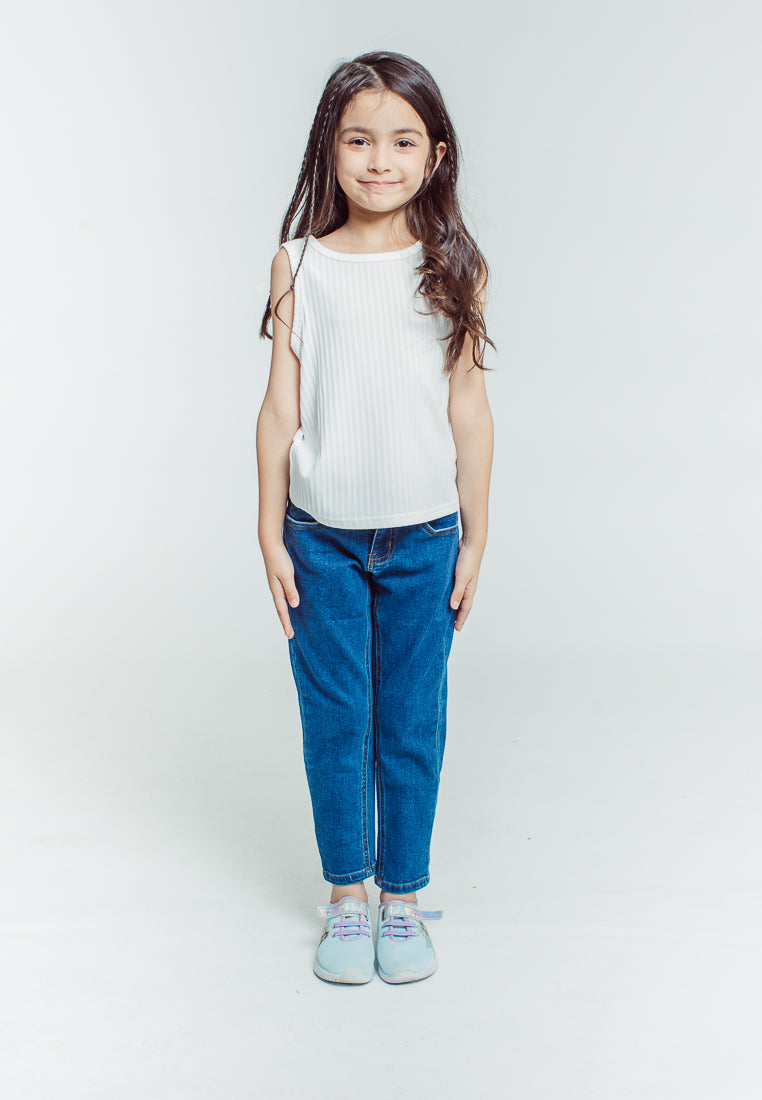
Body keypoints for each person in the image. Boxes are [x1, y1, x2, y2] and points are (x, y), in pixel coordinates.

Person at [256, 50, 494, 985]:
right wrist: (267, 531)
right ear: (331, 147)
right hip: (319, 539)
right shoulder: (299, 265)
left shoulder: (454, 267)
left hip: (426, 538)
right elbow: (280, 408)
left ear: (435, 155)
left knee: (409, 723)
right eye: (359, 140)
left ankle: (403, 897)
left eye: (402, 141)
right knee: (336, 720)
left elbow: (469, 407)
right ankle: (347, 897)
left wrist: (477, 535)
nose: (380, 160)